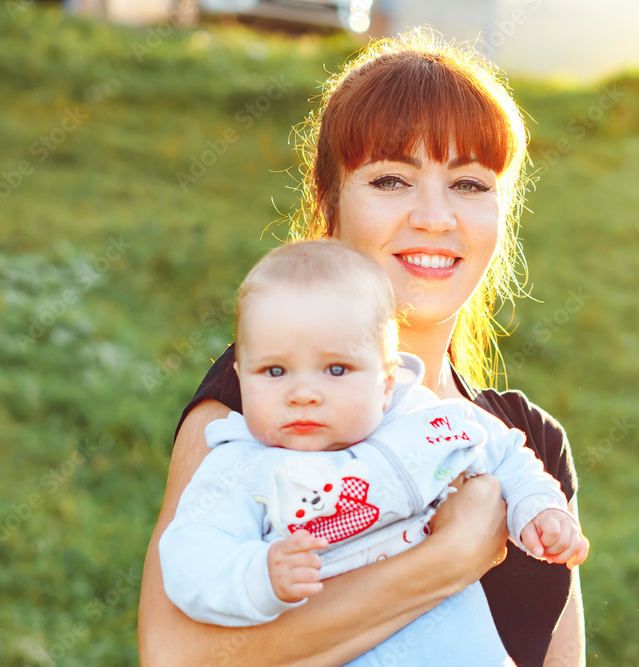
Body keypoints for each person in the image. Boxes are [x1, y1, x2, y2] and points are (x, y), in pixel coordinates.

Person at [139, 28, 585, 667]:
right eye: (392, 180)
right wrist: (450, 558)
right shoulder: (270, 402)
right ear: (331, 203)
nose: (435, 216)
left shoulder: (529, 442)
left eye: (469, 184)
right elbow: (174, 655)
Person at [158, 241, 587, 663]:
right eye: (274, 370)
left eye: (336, 369)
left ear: (386, 382)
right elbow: (191, 553)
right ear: (240, 375)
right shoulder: (239, 467)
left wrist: (538, 507)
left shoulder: (423, 422)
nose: (303, 393)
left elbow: (506, 451)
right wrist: (258, 575)